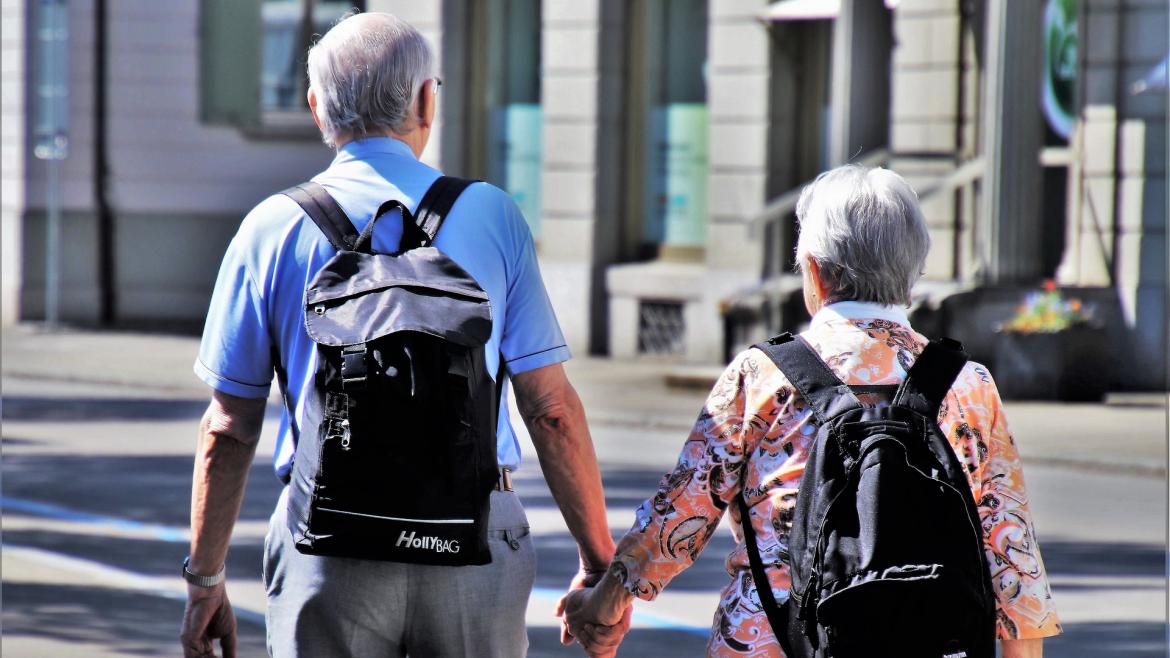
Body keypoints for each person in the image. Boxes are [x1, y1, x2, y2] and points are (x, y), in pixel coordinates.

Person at [180, 13, 628, 658]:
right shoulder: (493, 214)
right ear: (425, 100)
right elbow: (550, 408)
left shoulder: (269, 228)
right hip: (474, 538)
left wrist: (206, 581)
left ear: (315, 106)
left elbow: (228, 426)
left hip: (328, 541)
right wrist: (597, 561)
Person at [560, 165, 1062, 658]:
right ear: (913, 274)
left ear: (816, 272)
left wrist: (605, 605)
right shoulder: (968, 384)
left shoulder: (761, 375)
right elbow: (1012, 554)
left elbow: (680, 516)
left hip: (769, 639)